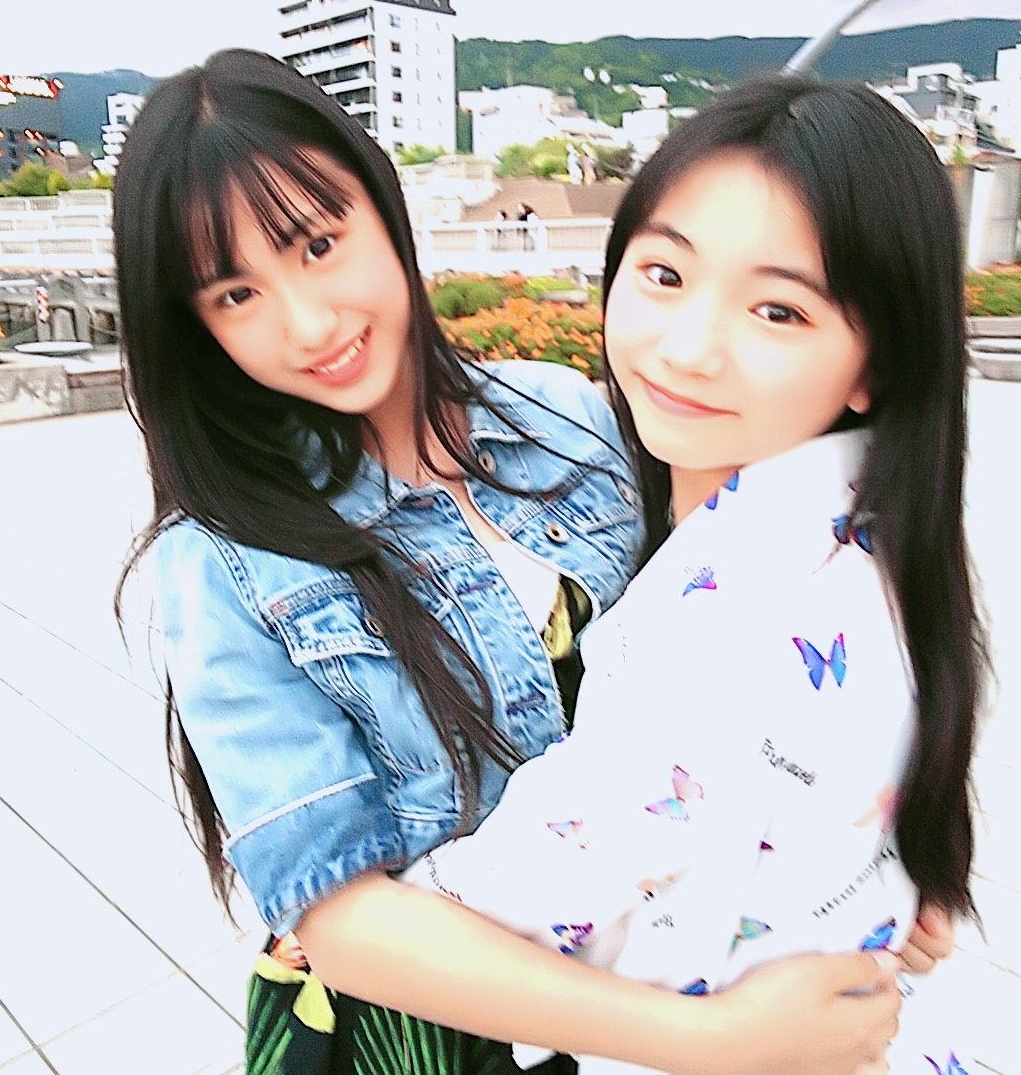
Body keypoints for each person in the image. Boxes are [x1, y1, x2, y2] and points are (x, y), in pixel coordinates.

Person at [112, 50, 946, 1075]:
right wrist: (712, 1041)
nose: (310, 322)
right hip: (437, 1035)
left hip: (660, 973)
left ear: (383, 207)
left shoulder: (569, 418)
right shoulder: (223, 559)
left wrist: (861, 873)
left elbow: (747, 672)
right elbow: (337, 919)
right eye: (237, 294)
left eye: (320, 245)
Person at [403, 76, 987, 1074]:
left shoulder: (726, 619)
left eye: (777, 310)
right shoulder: (883, 533)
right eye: (665, 274)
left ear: (875, 362)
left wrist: (370, 915)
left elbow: (552, 878)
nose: (688, 349)